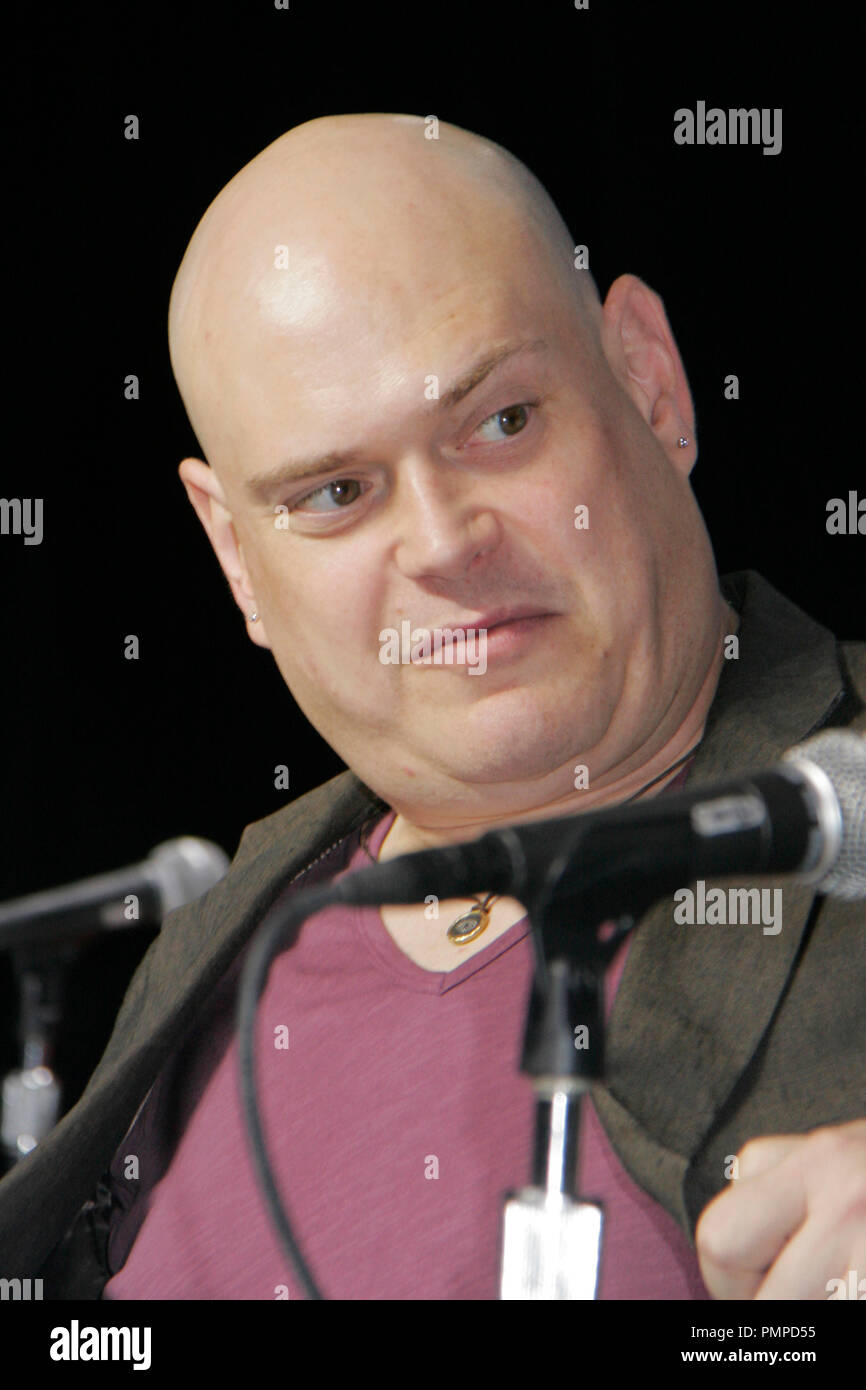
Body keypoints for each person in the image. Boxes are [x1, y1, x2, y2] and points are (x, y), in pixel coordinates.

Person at [0, 114, 863, 1300]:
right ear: (237, 558)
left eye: (501, 422)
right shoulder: (214, 950)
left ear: (648, 380)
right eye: (337, 491)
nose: (446, 541)